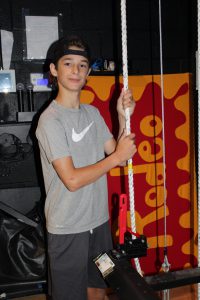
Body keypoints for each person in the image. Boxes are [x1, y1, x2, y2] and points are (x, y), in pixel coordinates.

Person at [36, 35, 136, 300]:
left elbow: (120, 154)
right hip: (68, 227)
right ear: (54, 70)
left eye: (82, 65)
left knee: (98, 288)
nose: (75, 70)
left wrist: (121, 115)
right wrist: (116, 159)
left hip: (99, 222)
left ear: (89, 72)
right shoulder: (49, 121)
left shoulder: (92, 113)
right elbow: (71, 179)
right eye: (68, 63)